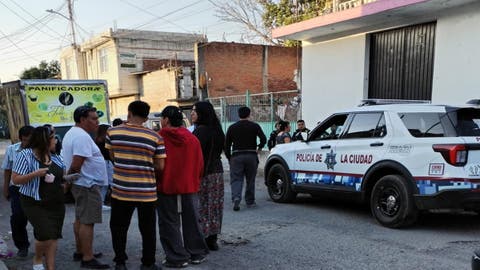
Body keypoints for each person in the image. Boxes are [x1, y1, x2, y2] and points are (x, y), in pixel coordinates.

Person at [106, 101, 165, 270]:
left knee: (118, 227)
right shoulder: (155, 137)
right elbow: (160, 167)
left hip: (121, 190)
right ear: (147, 117)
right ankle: (148, 263)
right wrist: (145, 165)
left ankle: (120, 262)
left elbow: (113, 156)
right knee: (147, 229)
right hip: (146, 192)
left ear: (129, 112)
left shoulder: (113, 132)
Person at [157, 105, 209, 268]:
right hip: (189, 185)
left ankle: (177, 257)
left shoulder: (159, 137)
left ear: (165, 120)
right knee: (192, 220)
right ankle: (196, 253)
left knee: (169, 222)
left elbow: (157, 164)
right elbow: (200, 164)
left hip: (166, 186)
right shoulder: (192, 139)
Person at [62, 106, 109, 269]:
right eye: (94, 119)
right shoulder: (81, 137)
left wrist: (68, 182)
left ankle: (81, 251)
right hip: (87, 184)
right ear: (83, 120)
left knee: (81, 219)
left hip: (82, 183)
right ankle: (87, 258)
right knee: (87, 222)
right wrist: (66, 183)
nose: (97, 122)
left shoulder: (73, 133)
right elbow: (76, 164)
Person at [12, 126, 65, 270]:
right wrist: (35, 174)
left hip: (56, 203)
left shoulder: (55, 156)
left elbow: (61, 176)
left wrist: (66, 181)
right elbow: (15, 180)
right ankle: (37, 258)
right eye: (53, 138)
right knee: (45, 233)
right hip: (34, 202)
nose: (56, 141)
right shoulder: (26, 155)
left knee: (53, 235)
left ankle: (51, 267)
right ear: (45, 141)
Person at [191, 101, 225, 251]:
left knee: (203, 205)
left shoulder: (200, 131)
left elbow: (194, 155)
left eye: (194, 111)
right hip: (217, 173)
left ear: (202, 113)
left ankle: (202, 238)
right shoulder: (217, 130)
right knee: (215, 206)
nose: (192, 113)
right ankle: (213, 238)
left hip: (204, 174)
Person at [225, 106, 267, 211]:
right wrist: (259, 147)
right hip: (251, 155)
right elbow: (263, 139)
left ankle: (236, 198)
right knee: (250, 179)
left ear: (238, 115)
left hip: (236, 156)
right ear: (249, 114)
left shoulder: (232, 127)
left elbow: (226, 145)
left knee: (236, 179)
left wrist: (229, 157)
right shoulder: (255, 126)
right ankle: (250, 201)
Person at [2, 125, 34, 258]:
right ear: (21, 139)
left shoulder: (38, 150)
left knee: (38, 218)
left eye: (30, 140)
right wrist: (5, 188)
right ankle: (22, 246)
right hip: (17, 189)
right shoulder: (12, 150)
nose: (28, 143)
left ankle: (43, 244)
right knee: (18, 218)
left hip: (34, 188)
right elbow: (7, 170)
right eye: (25, 140)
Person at [94, 124, 113, 210]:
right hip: (105, 163)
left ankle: (101, 202)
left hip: (105, 163)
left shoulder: (98, 141)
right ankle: (101, 203)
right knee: (105, 183)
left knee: (106, 183)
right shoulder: (103, 141)